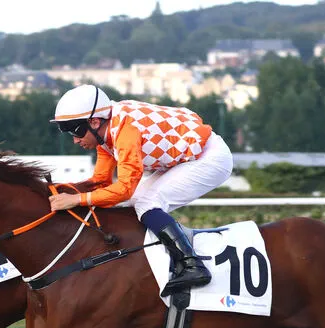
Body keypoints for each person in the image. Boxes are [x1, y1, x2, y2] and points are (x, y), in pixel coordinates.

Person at [47, 84, 234, 296]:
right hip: (185, 158)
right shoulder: (105, 132)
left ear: (94, 121)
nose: (75, 139)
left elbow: (124, 188)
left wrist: (76, 200)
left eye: (76, 130)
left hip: (210, 158)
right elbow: (101, 181)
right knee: (130, 203)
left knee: (146, 202)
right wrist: (64, 191)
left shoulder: (126, 131)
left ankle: (192, 265)